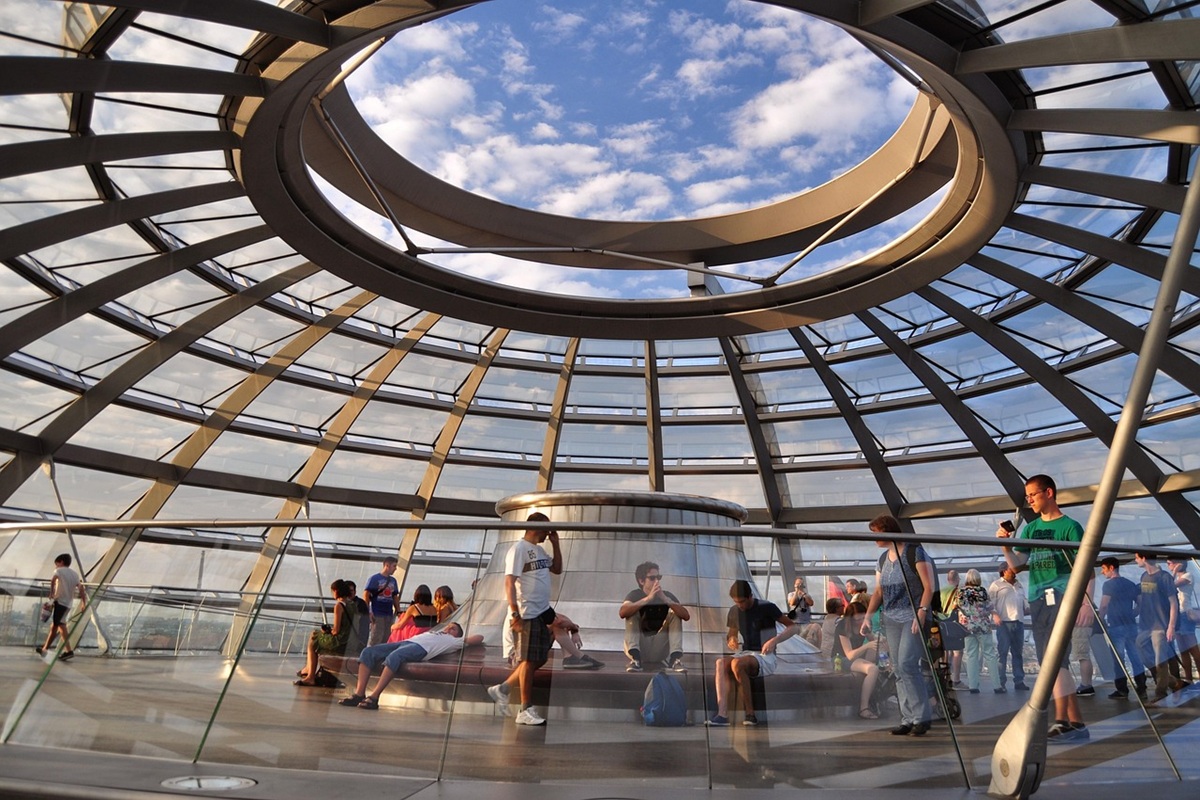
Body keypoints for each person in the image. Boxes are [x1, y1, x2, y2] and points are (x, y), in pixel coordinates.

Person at [998, 473, 1088, 743]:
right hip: (1038, 598)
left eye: (1033, 495)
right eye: (1027, 497)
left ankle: (1063, 720)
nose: (1030, 500)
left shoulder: (1071, 527)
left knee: (1054, 660)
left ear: (1049, 493)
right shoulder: (1031, 528)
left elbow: (1084, 569)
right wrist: (1004, 543)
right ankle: (1075, 722)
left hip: (1060, 595)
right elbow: (1017, 565)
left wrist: (1083, 601)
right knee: (1052, 661)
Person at [487, 512, 563, 726]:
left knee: (539, 659)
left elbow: (557, 569)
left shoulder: (539, 551)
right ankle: (525, 709)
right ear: (535, 527)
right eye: (547, 529)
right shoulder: (518, 550)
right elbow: (509, 582)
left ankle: (503, 689)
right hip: (527, 612)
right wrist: (514, 613)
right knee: (528, 661)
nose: (549, 533)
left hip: (540, 611)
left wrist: (556, 545)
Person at [863, 514, 934, 737]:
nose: (874, 538)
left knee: (906, 663)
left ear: (888, 531)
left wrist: (922, 611)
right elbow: (878, 592)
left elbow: (928, 586)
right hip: (892, 618)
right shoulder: (883, 560)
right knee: (898, 667)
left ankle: (921, 717)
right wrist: (868, 616)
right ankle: (908, 718)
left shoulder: (914, 552)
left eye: (876, 533)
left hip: (913, 616)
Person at [705, 579, 799, 727]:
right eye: (736, 602)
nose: (740, 605)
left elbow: (793, 628)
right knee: (720, 663)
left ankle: (751, 714)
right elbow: (731, 634)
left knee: (737, 663)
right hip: (747, 653)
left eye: (742, 601)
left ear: (750, 596)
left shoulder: (767, 607)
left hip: (766, 656)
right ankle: (722, 714)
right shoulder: (734, 611)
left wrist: (774, 640)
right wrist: (732, 640)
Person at [339, 622, 484, 709]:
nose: (448, 629)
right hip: (408, 642)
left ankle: (375, 697)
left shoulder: (454, 641)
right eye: (448, 626)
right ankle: (359, 693)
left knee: (395, 657)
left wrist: (463, 639)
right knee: (368, 652)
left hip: (420, 649)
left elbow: (480, 637)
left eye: (453, 629)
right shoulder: (435, 633)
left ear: (457, 635)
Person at [618, 561, 690, 672]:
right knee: (631, 613)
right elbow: (623, 612)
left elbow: (686, 616)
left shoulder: (666, 595)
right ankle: (635, 660)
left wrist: (666, 600)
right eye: (652, 578)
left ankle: (675, 659)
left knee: (675, 613)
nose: (657, 581)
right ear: (641, 581)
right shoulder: (634, 595)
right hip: (640, 646)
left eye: (659, 577)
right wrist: (647, 599)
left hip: (659, 648)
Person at [295, 579, 367, 686]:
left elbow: (336, 631)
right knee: (317, 637)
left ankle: (310, 675)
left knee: (314, 636)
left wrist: (327, 632)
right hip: (352, 642)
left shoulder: (339, 606)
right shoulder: (352, 604)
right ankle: (308, 670)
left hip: (341, 642)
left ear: (336, 591)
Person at [1134, 551, 1183, 703]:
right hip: (1146, 625)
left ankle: (1160, 692)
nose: (1135, 561)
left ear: (1144, 558)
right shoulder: (1144, 577)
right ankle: (1173, 681)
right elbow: (1145, 600)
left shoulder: (1164, 577)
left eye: (1137, 558)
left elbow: (1173, 603)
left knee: (1160, 660)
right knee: (1140, 649)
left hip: (1160, 626)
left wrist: (1171, 626)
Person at [1098, 557, 1148, 699]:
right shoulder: (1130, 584)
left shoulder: (1108, 585)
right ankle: (1141, 687)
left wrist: (1101, 620)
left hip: (1116, 626)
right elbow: (1140, 603)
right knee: (1135, 657)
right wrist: (1133, 613)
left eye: (1104, 568)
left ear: (1111, 568)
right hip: (1131, 625)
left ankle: (1122, 689)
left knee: (1118, 659)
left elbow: (1104, 605)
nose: (1102, 572)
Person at [957, 569, 1002, 694]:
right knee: (989, 655)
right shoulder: (981, 591)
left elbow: (959, 607)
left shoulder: (960, 592)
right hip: (982, 626)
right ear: (978, 578)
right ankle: (997, 685)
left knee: (971, 656)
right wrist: (994, 614)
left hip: (967, 628)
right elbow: (989, 607)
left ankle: (973, 686)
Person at [835, 600, 880, 718]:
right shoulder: (842, 627)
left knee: (876, 654)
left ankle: (876, 701)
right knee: (873, 669)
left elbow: (874, 641)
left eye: (862, 618)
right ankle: (863, 708)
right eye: (857, 620)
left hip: (857, 658)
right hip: (840, 659)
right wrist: (867, 646)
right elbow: (849, 655)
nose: (860, 622)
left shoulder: (864, 626)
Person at [37, 553, 86, 660]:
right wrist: (83, 603)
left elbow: (53, 580)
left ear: (62, 562)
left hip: (60, 603)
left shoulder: (59, 571)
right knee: (58, 626)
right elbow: (81, 588)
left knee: (56, 625)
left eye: (57, 564)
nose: (56, 566)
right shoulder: (75, 574)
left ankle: (49, 650)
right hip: (68, 604)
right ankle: (63, 651)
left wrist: (51, 592)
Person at [989, 565, 1029, 691]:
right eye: (1012, 569)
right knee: (1003, 652)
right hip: (1004, 623)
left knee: (1017, 653)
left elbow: (1025, 603)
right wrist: (995, 615)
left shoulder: (1019, 585)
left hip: (1019, 622)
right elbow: (989, 603)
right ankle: (1000, 682)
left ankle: (1019, 681)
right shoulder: (996, 585)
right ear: (1004, 571)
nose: (1015, 572)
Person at [1165, 557, 1199, 684]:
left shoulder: (1188, 576)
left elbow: (1171, 587)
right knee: (1183, 650)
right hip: (1178, 615)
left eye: (1169, 563)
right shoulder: (1181, 577)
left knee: (1193, 649)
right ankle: (1188, 679)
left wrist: (1174, 572)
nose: (1168, 566)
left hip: (1185, 614)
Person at [363, 556, 401, 646]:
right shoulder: (374, 579)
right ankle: (372, 655)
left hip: (388, 613)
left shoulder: (393, 581)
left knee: (386, 636)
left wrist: (398, 610)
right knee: (376, 636)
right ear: (387, 565)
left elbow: (395, 596)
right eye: (394, 566)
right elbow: (366, 594)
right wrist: (369, 611)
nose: (395, 569)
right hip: (377, 612)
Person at [941, 569, 964, 687]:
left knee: (945, 651)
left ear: (947, 579)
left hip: (942, 624)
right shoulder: (958, 592)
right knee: (957, 652)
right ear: (957, 579)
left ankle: (944, 677)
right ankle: (956, 679)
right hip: (954, 624)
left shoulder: (941, 591)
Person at [819, 597, 844, 663]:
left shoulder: (826, 618)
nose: (844, 607)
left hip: (824, 651)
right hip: (833, 652)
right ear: (837, 608)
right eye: (842, 606)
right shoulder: (838, 621)